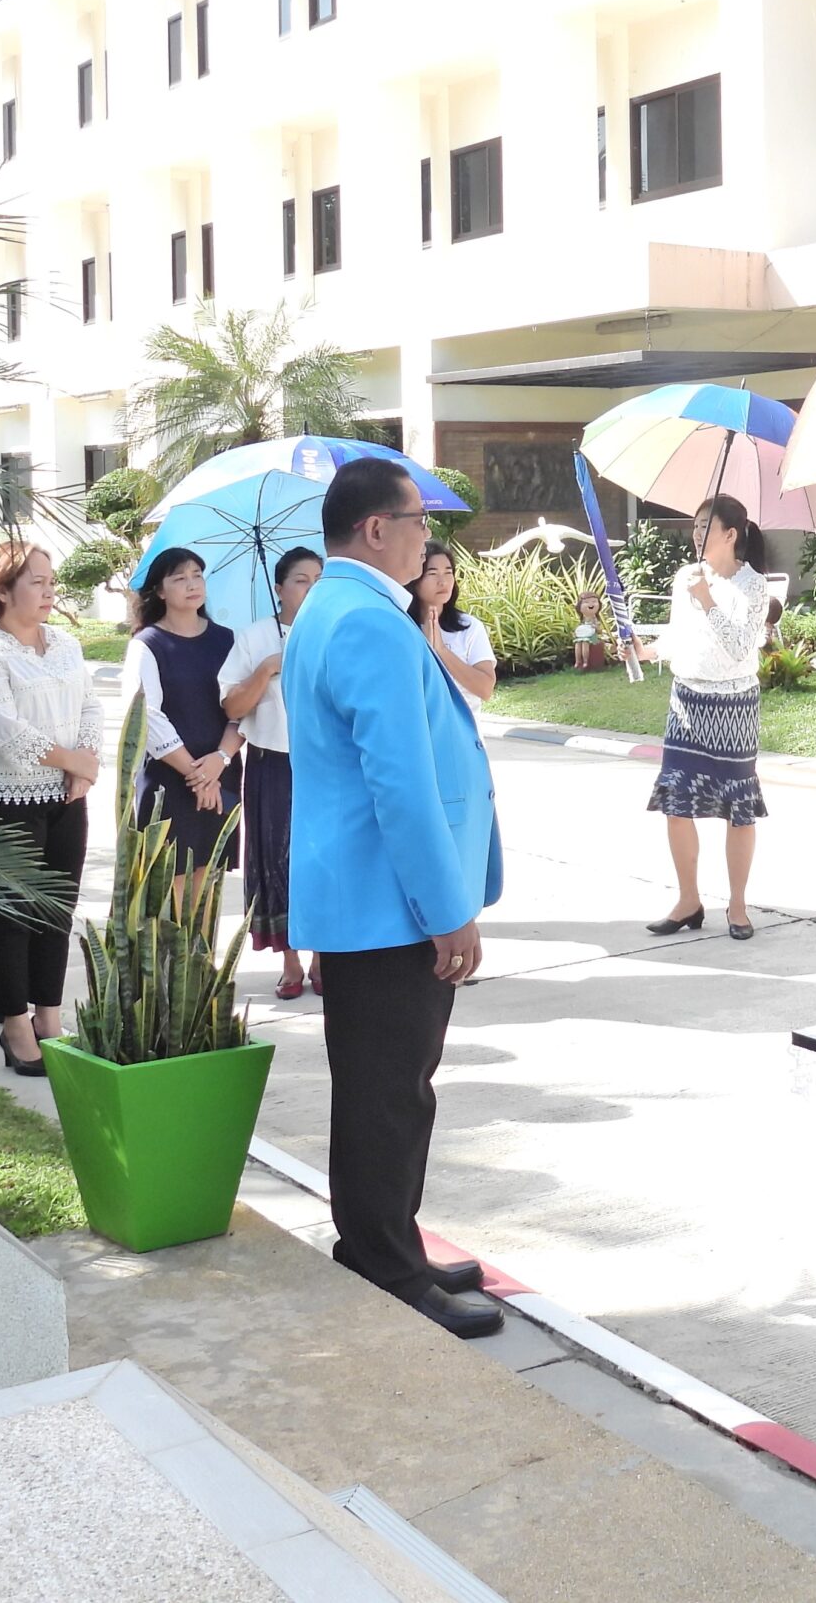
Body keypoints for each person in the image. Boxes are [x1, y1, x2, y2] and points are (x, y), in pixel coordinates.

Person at [283, 458, 504, 1340]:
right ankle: (386, 1264)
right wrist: (447, 909)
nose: (428, 538)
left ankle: (387, 1243)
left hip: (368, 894)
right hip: (388, 902)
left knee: (386, 1085)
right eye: (418, 521)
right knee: (389, 1093)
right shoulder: (368, 621)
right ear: (376, 529)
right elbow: (400, 785)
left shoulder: (336, 607)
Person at [0, 544, 102, 1077]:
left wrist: (84, 764)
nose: (48, 591)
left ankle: (48, 1017)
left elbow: (90, 704)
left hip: (66, 796)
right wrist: (72, 761)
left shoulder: (64, 643)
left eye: (51, 581)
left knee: (56, 911)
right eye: (36, 582)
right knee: (12, 915)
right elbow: (3, 729)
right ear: (1, 590)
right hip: (6, 798)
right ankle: (15, 1024)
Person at [644, 494, 772, 941]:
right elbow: (677, 635)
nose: (696, 534)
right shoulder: (686, 577)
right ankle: (688, 900)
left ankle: (737, 904)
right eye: (695, 526)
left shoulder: (754, 586)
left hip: (734, 705)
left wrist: (709, 601)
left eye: (705, 527)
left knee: (739, 808)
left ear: (730, 534)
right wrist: (646, 650)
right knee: (676, 803)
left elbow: (740, 648)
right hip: (686, 700)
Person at [219, 546, 323, 1002]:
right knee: (276, 860)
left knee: (322, 858)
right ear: (279, 588)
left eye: (318, 580)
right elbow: (232, 706)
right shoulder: (255, 637)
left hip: (324, 765)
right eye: (301, 580)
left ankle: (324, 957)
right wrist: (266, 669)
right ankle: (290, 961)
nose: (311, 588)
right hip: (272, 765)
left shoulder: (334, 631)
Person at [122, 548, 243, 895]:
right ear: (160, 591)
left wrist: (220, 761)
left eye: (197, 575)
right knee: (170, 885)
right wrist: (198, 775)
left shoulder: (227, 639)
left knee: (208, 882)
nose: (192, 584)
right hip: (170, 778)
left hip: (221, 771)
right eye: (179, 578)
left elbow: (241, 708)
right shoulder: (147, 644)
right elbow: (147, 716)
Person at [413, 543, 497, 716]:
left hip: (464, 730)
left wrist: (442, 651)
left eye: (448, 572)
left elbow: (485, 689)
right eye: (432, 573)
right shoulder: (403, 626)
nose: (442, 582)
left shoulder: (469, 627)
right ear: (415, 578)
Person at [572, 587, 605, 671]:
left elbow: (599, 631)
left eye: (594, 601)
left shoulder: (595, 619)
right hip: (583, 635)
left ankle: (586, 661)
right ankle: (578, 661)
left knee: (585, 643)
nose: (590, 604)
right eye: (586, 602)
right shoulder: (582, 619)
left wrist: (595, 628)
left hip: (593, 637)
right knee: (578, 643)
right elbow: (580, 627)